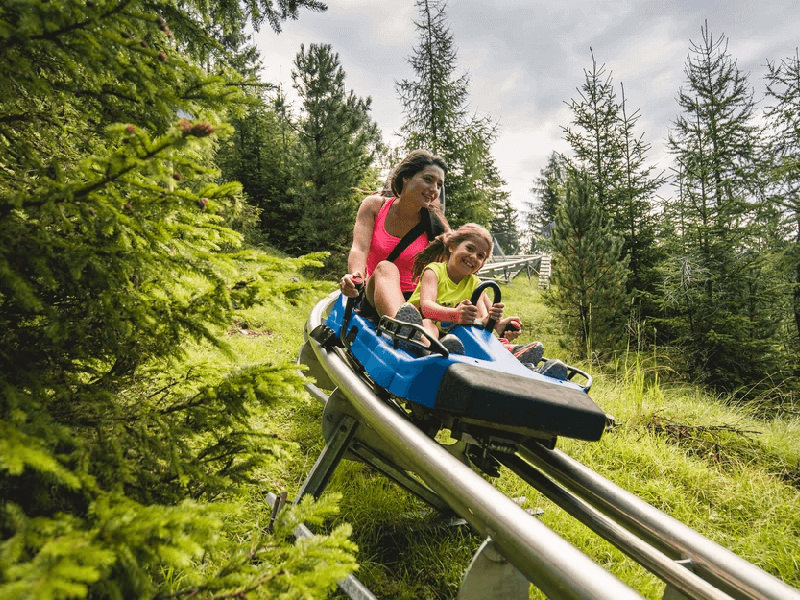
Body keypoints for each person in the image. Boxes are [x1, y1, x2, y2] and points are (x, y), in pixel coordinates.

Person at [394, 223, 545, 364]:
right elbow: (427, 308)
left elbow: (482, 320)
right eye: (470, 249)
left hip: (453, 338)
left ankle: (507, 355)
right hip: (423, 325)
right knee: (428, 324)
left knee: (475, 332)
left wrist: (497, 324)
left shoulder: (475, 284)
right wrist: (455, 315)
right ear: (452, 247)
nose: (474, 257)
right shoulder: (434, 271)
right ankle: (432, 350)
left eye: (480, 256)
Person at [339, 150, 449, 321]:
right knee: (386, 267)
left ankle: (413, 330)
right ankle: (404, 325)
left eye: (439, 185)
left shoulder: (437, 226)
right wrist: (356, 277)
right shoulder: (374, 206)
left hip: (417, 302)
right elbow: (359, 249)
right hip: (375, 293)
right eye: (428, 180)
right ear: (406, 178)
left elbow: (454, 268)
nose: (434, 189)